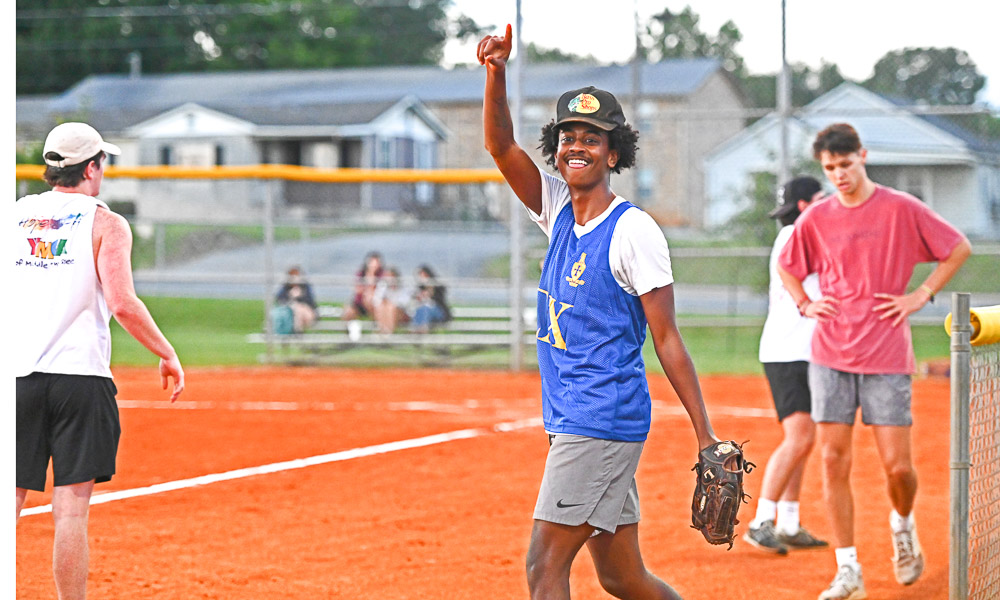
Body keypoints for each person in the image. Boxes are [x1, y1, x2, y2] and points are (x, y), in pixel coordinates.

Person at [478, 25, 720, 600]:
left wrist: (705, 436)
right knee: (621, 578)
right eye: (568, 137)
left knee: (544, 568)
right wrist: (495, 72)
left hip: (600, 419)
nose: (577, 146)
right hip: (580, 417)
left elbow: (666, 339)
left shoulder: (632, 230)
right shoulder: (557, 208)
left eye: (593, 137)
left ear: (614, 153)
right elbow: (500, 147)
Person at [777, 123, 971, 600]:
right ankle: (848, 570)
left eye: (846, 164)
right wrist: (804, 302)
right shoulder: (817, 217)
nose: (840, 174)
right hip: (830, 353)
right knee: (832, 458)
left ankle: (902, 525)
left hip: (886, 353)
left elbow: (957, 247)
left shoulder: (901, 208)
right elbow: (787, 264)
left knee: (897, 469)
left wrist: (921, 294)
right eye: (830, 168)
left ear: (862, 156)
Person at [14, 122, 185, 600]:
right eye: (102, 163)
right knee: (70, 512)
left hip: (18, 378)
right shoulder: (105, 223)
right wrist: (166, 352)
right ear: (91, 168)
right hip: (79, 379)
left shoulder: (16, 214)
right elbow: (124, 304)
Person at [744, 176, 828, 555]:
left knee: (805, 438)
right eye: (821, 200)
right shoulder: (796, 235)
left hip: (804, 350)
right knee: (799, 438)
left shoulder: (800, 234)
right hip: (787, 351)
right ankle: (761, 520)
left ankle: (790, 522)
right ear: (806, 207)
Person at [341, 251, 384, 321]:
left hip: (374, 304)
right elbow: (358, 289)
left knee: (369, 301)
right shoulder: (361, 273)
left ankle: (377, 325)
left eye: (376, 263)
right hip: (359, 303)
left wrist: (372, 277)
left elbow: (378, 291)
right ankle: (348, 329)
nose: (374, 265)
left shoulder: (381, 275)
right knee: (348, 311)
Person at [274, 266, 319, 334]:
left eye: (296, 276)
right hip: (289, 313)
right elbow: (279, 298)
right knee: (291, 309)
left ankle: (297, 331)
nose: (294, 278)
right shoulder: (286, 287)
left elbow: (310, 301)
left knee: (298, 309)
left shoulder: (305, 287)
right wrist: (290, 296)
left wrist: (299, 297)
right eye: (292, 276)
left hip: (306, 313)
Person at [410, 264, 451, 334]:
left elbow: (440, 300)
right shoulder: (420, 288)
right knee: (421, 309)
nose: (422, 277)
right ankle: (418, 329)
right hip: (423, 311)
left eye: (424, 275)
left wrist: (430, 291)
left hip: (438, 312)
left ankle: (421, 330)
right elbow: (414, 300)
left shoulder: (438, 286)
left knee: (425, 309)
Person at [373, 267, 412, 334]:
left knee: (391, 307)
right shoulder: (383, 285)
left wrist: (390, 302)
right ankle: (383, 330)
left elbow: (405, 303)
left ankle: (388, 332)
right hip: (386, 310)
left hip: (402, 313)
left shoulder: (403, 287)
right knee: (382, 307)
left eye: (391, 276)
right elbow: (376, 301)